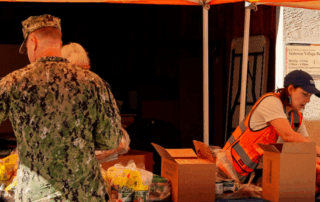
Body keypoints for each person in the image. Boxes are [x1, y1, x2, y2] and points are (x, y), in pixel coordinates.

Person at [0, 14, 122, 201]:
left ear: (32, 42)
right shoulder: (94, 83)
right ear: (59, 42)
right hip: (85, 194)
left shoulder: (13, 82)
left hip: (35, 195)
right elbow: (112, 140)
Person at [223, 70, 320, 182]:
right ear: (290, 89)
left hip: (255, 177)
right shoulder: (271, 101)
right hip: (231, 171)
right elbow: (288, 135)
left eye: (310, 96)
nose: (307, 100)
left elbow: (306, 146)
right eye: (304, 94)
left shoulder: (296, 116)